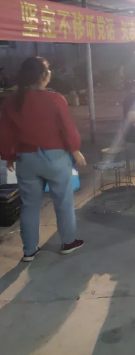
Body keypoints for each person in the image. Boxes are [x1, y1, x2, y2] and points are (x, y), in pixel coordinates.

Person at [0, 57, 86, 261]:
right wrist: (75, 150)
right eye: (48, 71)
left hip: (25, 159)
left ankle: (29, 250)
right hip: (55, 158)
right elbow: (67, 127)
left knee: (29, 206)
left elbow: (5, 133)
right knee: (63, 202)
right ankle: (68, 242)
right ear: (43, 76)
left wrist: (9, 156)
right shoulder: (55, 99)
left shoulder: (10, 102)